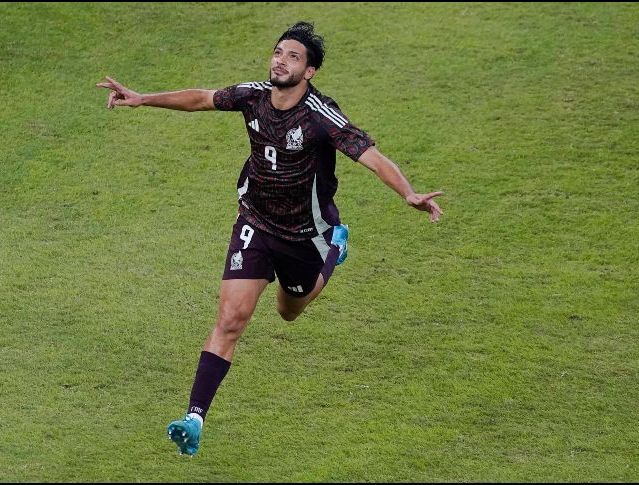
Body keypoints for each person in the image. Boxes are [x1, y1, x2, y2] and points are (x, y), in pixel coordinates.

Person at [96, 21, 443, 457]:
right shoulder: (253, 95)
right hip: (256, 223)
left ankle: (336, 245)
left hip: (304, 236)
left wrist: (408, 192)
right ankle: (194, 419)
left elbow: (371, 157)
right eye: (278, 52)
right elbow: (203, 98)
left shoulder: (321, 116)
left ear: (310, 71)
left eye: (293, 56)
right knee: (230, 320)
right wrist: (143, 99)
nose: (280, 60)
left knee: (288, 310)